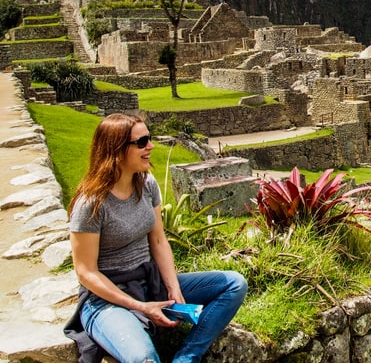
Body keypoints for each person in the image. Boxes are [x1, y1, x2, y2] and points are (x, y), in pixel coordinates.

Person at [64, 113, 247, 363]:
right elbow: (86, 272)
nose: (150, 146)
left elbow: (158, 241)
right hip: (107, 300)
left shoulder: (146, 183)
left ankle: (186, 358)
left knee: (234, 284)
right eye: (141, 142)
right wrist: (141, 307)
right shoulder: (91, 203)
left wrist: (172, 287)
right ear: (116, 150)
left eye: (148, 139)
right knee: (144, 358)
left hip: (151, 284)